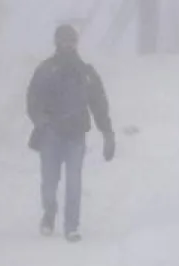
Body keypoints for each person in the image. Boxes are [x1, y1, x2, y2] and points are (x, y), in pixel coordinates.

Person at [26, 24, 114, 242]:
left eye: (72, 40)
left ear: (76, 43)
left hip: (76, 135)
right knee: (49, 183)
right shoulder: (45, 70)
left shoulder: (85, 73)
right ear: (57, 42)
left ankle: (71, 226)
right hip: (50, 135)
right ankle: (49, 214)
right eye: (64, 40)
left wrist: (108, 133)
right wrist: (41, 122)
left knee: (74, 182)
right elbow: (33, 100)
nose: (68, 44)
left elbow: (99, 104)